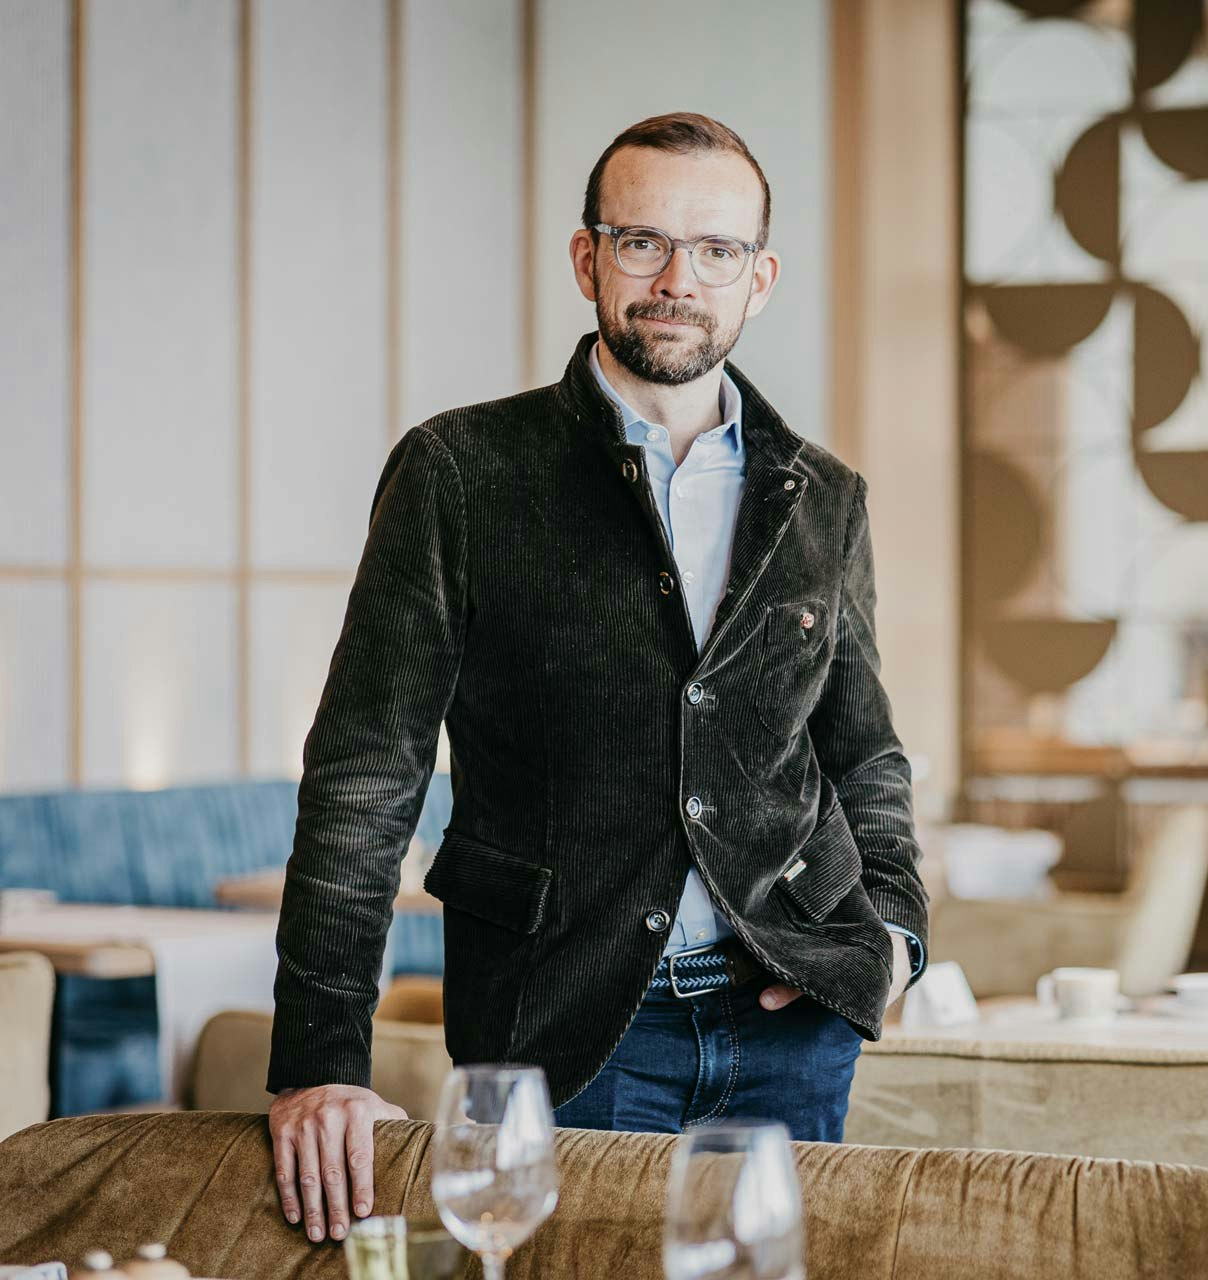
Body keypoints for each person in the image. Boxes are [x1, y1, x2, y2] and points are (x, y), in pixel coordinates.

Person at [266, 111, 929, 1244]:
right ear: (587, 259)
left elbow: (858, 748)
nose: (678, 278)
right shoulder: (459, 473)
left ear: (758, 279)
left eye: (715, 251)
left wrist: (895, 935)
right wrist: (319, 1057)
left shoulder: (825, 495)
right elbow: (364, 773)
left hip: (790, 1020)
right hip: (559, 1020)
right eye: (641, 242)